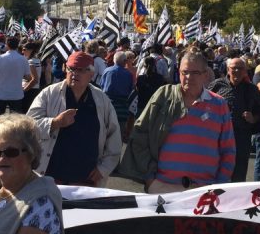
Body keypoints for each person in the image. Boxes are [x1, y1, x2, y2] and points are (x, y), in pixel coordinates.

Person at [119, 51, 236, 193]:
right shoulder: (164, 96)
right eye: (184, 72)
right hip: (163, 187)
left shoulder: (219, 104)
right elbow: (139, 135)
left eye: (195, 73)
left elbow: (228, 150)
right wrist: (150, 179)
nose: (189, 77)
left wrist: (218, 186)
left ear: (205, 75)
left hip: (205, 191)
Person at [27, 51, 122, 187]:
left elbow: (114, 137)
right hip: (49, 176)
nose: (75, 74)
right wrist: (54, 123)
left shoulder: (101, 100)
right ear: (65, 69)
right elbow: (28, 127)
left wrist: (103, 169)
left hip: (86, 180)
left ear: (91, 74)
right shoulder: (49, 94)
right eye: (71, 69)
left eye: (81, 70)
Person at [208, 57, 260, 182]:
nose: (237, 71)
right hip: (218, 135)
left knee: (238, 175)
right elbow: (204, 104)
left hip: (241, 138)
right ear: (228, 70)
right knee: (215, 170)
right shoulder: (217, 85)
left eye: (240, 68)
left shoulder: (251, 89)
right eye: (234, 68)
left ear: (245, 71)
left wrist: (253, 118)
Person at [100, 50, 135, 143]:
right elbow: (130, 90)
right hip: (122, 108)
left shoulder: (107, 71)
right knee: (118, 136)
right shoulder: (128, 74)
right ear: (124, 61)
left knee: (104, 134)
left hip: (107, 105)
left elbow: (101, 86)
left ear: (114, 60)